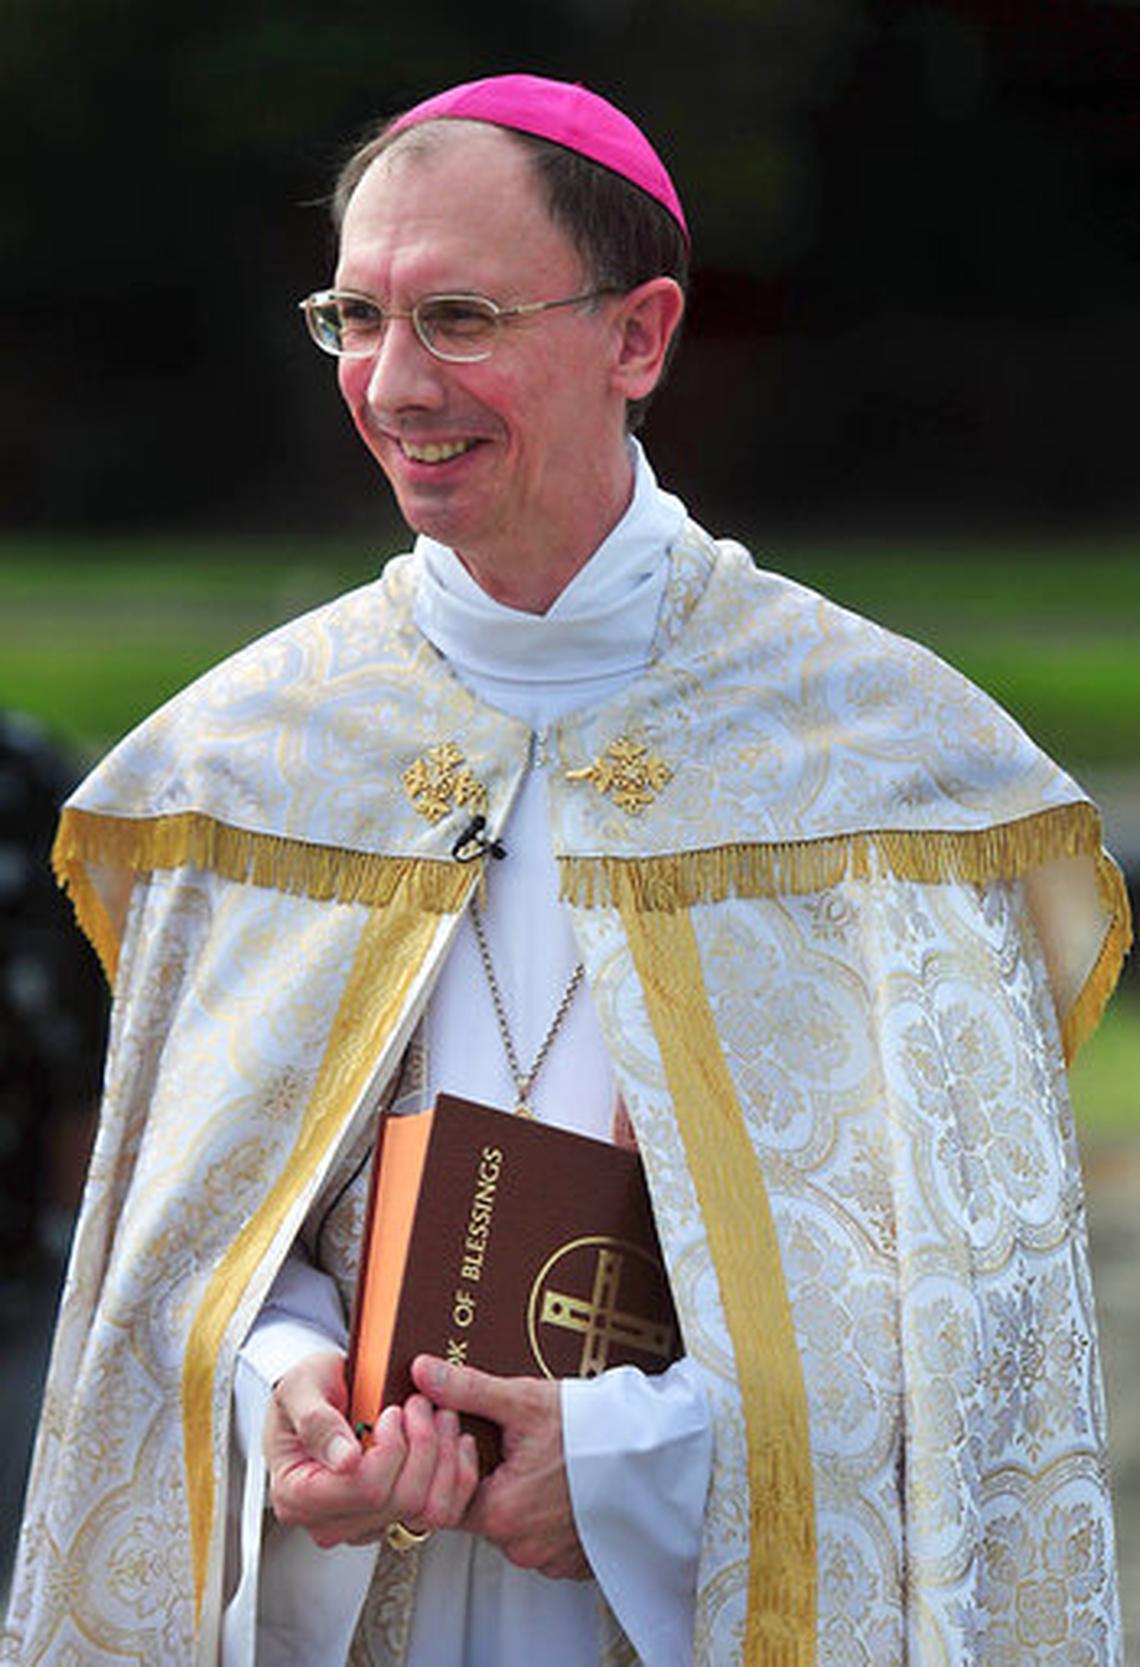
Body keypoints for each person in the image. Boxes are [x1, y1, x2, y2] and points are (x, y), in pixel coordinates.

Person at [2, 73, 1128, 1667]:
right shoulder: (244, 764)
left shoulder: (885, 769)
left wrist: (635, 1465)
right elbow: (180, 1255)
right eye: (355, 316)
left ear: (640, 336)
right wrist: (288, 1385)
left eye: (457, 316)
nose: (394, 383)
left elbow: (976, 1325)